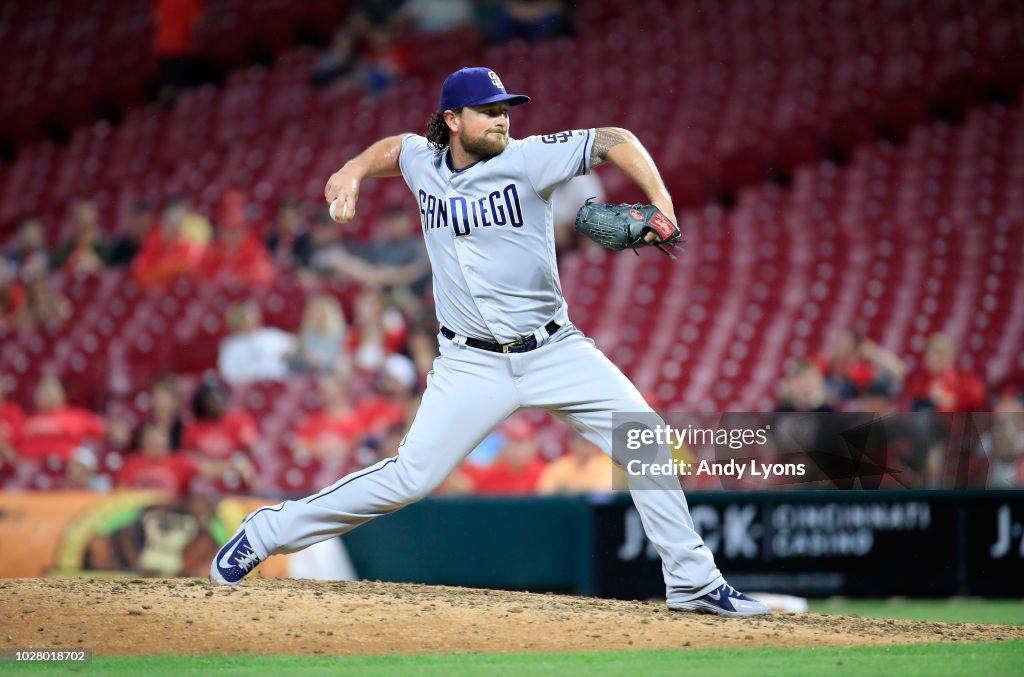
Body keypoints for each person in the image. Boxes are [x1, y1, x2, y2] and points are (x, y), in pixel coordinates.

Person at [211, 66, 769, 617]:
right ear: (452, 120)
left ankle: (693, 582)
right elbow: (395, 149)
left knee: (645, 442)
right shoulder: (422, 162)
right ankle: (266, 532)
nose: (502, 119)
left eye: (506, 109)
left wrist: (661, 203)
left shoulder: (529, 158)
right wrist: (352, 171)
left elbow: (616, 141)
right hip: (469, 363)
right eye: (489, 111)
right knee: (409, 477)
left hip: (554, 349)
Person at [218, 301, 296, 383]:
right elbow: (227, 374)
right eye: (244, 316)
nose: (250, 319)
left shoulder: (272, 336)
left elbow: (294, 345)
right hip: (245, 389)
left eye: (252, 315)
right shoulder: (230, 346)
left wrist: (288, 353)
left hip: (277, 386)